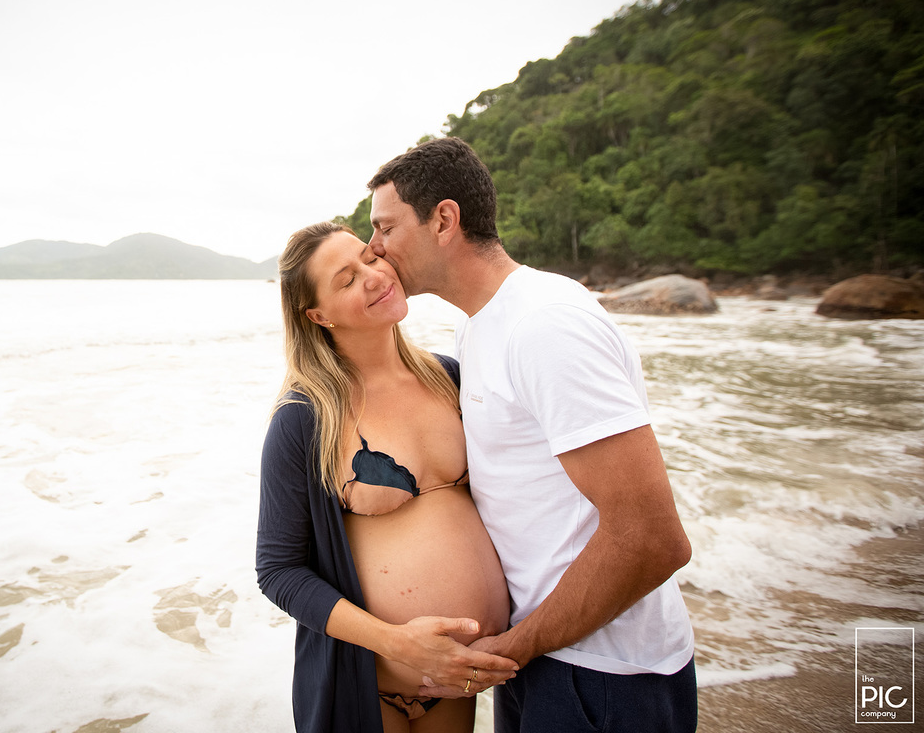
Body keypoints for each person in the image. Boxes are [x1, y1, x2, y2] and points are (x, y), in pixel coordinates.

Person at [365, 137, 697, 732]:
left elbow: (653, 538)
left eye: (386, 228)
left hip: (603, 674)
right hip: (545, 654)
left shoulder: (545, 325)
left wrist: (514, 648)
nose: (375, 248)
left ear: (444, 220)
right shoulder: (481, 325)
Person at [256, 221, 518, 733]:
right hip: (369, 686)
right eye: (347, 279)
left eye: (369, 258)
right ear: (319, 316)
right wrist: (398, 643)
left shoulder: (451, 378)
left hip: (458, 685)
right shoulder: (306, 417)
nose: (374, 276)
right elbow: (278, 570)